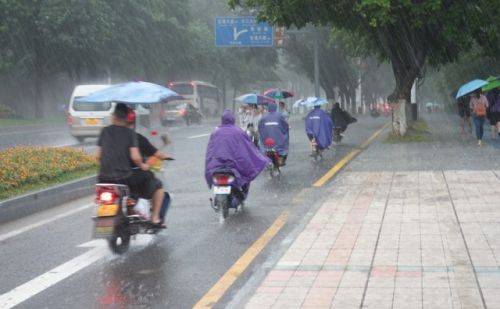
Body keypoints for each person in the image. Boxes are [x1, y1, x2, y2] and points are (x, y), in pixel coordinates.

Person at [205, 110, 270, 205]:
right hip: (233, 165)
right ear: (233, 119)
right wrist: (259, 157)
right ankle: (241, 195)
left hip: (216, 166)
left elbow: (210, 151)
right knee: (245, 173)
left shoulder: (215, 132)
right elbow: (248, 148)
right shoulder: (238, 131)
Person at [125, 108, 172, 224]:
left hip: (111, 177)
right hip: (134, 176)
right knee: (158, 186)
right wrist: (143, 164)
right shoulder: (137, 138)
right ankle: (155, 217)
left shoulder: (109, 136)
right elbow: (154, 153)